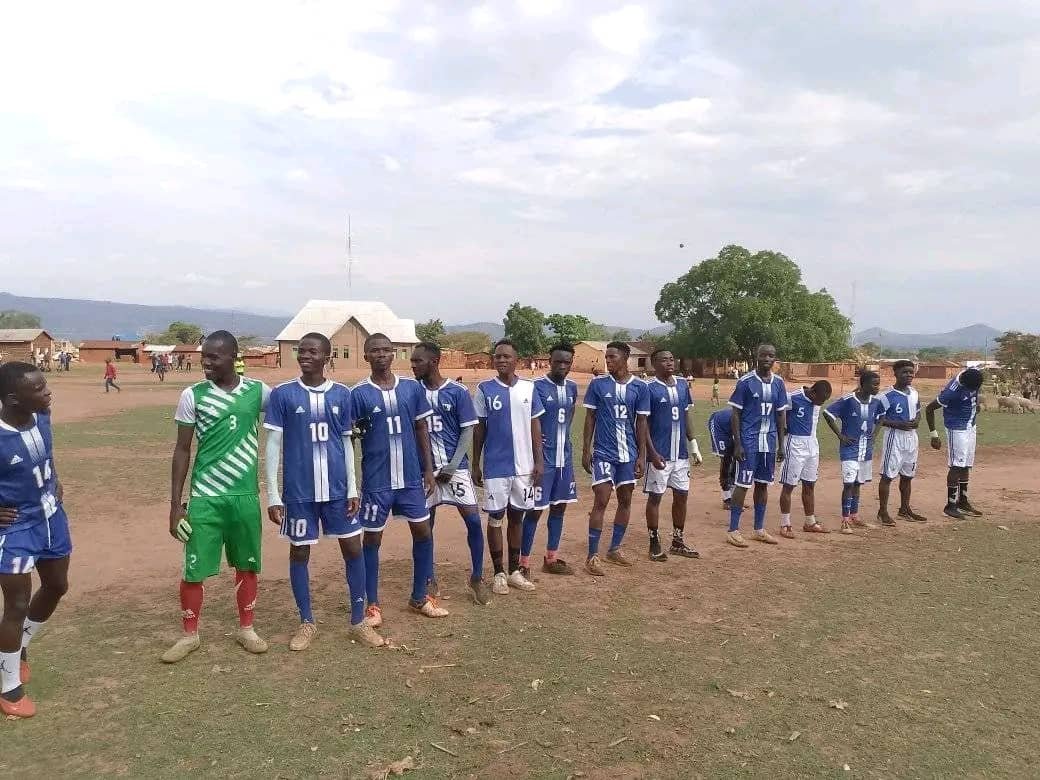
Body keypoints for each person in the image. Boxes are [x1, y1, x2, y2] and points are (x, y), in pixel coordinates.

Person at [264, 332, 384, 650]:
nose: (305, 355)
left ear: (326, 357)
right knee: (300, 551)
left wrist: (353, 488)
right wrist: (274, 494)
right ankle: (306, 622)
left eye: (312, 351)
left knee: (353, 549)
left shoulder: (342, 395)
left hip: (337, 491)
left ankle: (358, 621)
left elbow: (346, 443)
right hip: (299, 493)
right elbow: (273, 445)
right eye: (301, 351)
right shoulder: (283, 394)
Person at [163, 331, 271, 663]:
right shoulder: (193, 395)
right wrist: (175, 506)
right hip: (205, 498)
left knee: (247, 565)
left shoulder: (258, 392)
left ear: (233, 356)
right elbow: (182, 451)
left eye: (213, 357)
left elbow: (291, 414)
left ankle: (247, 629)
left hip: (245, 496)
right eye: (203, 356)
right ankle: (189, 635)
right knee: (194, 569)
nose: (205, 362)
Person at [350, 333, 447, 625]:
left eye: (386, 350)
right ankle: (372, 605)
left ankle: (420, 597)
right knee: (373, 539)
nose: (381, 355)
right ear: (366, 357)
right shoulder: (358, 394)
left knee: (423, 532)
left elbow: (421, 429)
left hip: (409, 478)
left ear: (394, 354)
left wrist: (428, 470)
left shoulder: (411, 388)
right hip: (377, 480)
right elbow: (350, 439)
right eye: (374, 351)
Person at [0, 363, 72, 718]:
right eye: (39, 388)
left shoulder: (41, 414)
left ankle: (21, 646)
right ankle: (9, 688)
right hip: (15, 528)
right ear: (13, 398)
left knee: (57, 586)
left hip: (51, 517)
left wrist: (53, 479)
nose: (47, 393)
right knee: (15, 604)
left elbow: (44, 453)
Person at [410, 342, 491, 606]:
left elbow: (468, 430)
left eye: (417, 361)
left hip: (455, 470)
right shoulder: (412, 392)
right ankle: (428, 577)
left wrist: (453, 465)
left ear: (433, 362)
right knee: (425, 527)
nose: (413, 366)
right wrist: (427, 469)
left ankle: (477, 577)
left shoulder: (456, 392)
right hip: (425, 473)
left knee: (473, 521)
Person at [472, 339, 545, 594]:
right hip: (496, 467)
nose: (501, 360)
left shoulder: (529, 387)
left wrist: (539, 460)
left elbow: (536, 426)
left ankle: (514, 570)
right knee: (495, 518)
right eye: (497, 356)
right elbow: (479, 429)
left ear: (517, 360)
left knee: (517, 518)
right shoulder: (484, 389)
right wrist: (475, 464)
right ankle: (498, 573)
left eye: (506, 356)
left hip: (525, 467)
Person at [581, 342, 650, 574]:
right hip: (603, 453)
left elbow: (641, 423)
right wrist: (585, 449)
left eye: (612, 357)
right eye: (606, 357)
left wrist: (641, 455)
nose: (607, 361)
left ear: (626, 357)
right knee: (601, 500)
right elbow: (590, 417)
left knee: (626, 500)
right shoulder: (598, 384)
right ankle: (592, 556)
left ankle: (614, 548)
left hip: (628, 454)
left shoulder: (640, 387)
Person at [523, 344, 579, 577]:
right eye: (558, 362)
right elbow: (527, 419)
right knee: (535, 510)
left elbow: (570, 416)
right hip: (542, 459)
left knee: (559, 507)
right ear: (550, 361)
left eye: (567, 362)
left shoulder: (573, 388)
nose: (562, 366)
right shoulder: (536, 387)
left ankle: (551, 558)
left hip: (564, 459)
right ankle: (523, 562)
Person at [726, 344, 789, 548]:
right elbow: (735, 413)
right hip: (749, 440)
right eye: (763, 355)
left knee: (763, 484)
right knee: (743, 484)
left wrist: (781, 444)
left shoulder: (779, 383)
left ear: (774, 358)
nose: (766, 359)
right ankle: (733, 530)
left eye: (771, 356)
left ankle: (758, 529)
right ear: (756, 356)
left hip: (768, 442)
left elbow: (780, 414)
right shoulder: (745, 382)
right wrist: (738, 443)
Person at [643, 349, 701, 561]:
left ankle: (677, 540)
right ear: (653, 364)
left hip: (681, 454)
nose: (669, 362)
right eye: (663, 360)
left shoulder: (683, 384)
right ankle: (654, 541)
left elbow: (686, 414)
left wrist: (693, 443)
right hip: (660, 455)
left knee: (681, 496)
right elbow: (643, 424)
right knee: (656, 497)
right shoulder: (648, 388)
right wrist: (651, 453)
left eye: (671, 359)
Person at [824, 370, 887, 533]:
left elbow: (881, 417)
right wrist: (840, 435)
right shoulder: (848, 400)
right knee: (849, 484)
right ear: (863, 384)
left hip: (866, 449)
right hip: (849, 449)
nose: (877, 387)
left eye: (878, 384)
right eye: (874, 384)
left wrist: (875, 433)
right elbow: (828, 413)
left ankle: (854, 516)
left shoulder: (876, 402)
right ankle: (845, 520)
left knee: (858, 483)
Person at [925, 368, 983, 520]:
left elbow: (974, 389)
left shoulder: (971, 375)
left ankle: (962, 501)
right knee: (957, 465)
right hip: (956, 427)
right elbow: (929, 409)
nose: (975, 390)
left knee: (966, 464)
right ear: (964, 385)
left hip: (971, 425)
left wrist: (976, 406)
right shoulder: (951, 392)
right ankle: (950, 506)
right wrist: (934, 435)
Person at [777, 381, 834, 535]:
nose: (821, 403)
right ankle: (785, 524)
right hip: (795, 444)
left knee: (810, 485)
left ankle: (810, 522)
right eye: (821, 400)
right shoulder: (792, 397)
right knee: (789, 486)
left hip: (812, 445)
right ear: (813, 393)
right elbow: (778, 413)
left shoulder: (817, 401)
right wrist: (781, 442)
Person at [876, 361, 927, 525]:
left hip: (912, 438)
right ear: (896, 373)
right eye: (905, 372)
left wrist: (917, 421)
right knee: (887, 476)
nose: (909, 375)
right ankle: (882, 512)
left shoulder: (914, 393)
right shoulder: (885, 396)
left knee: (907, 475)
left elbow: (918, 412)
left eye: (911, 372)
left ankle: (904, 509)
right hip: (894, 437)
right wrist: (898, 424)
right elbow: (877, 419)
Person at [707, 406, 736, 509]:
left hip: (731, 428)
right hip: (718, 424)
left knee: (737, 460)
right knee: (726, 459)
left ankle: (734, 498)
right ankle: (726, 498)